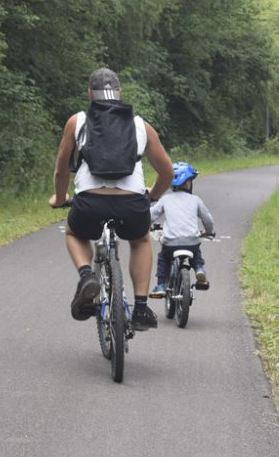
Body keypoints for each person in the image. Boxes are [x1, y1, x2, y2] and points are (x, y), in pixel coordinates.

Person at [49, 67, 174, 330]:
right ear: (120, 92)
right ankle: (140, 307)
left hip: (89, 203)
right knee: (140, 240)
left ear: (89, 94)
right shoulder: (142, 126)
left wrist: (60, 198)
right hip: (132, 205)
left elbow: (61, 169)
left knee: (74, 233)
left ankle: (86, 277)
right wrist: (152, 195)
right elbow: (167, 172)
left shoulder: (77, 121)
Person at [149, 161, 215, 297]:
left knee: (163, 259)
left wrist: (145, 224)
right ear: (188, 183)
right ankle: (199, 268)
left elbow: (150, 215)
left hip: (170, 243)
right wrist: (207, 232)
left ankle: (161, 285)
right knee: (196, 252)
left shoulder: (166, 199)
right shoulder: (195, 200)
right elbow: (208, 219)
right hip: (191, 242)